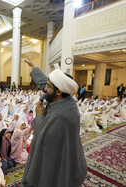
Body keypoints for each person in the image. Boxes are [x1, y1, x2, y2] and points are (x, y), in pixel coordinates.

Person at [21, 59, 87, 187]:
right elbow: (44, 83)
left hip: (53, 159)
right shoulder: (63, 98)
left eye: (49, 86)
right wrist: (33, 65)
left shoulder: (61, 115)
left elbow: (43, 137)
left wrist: (39, 115)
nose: (44, 88)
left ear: (59, 91)